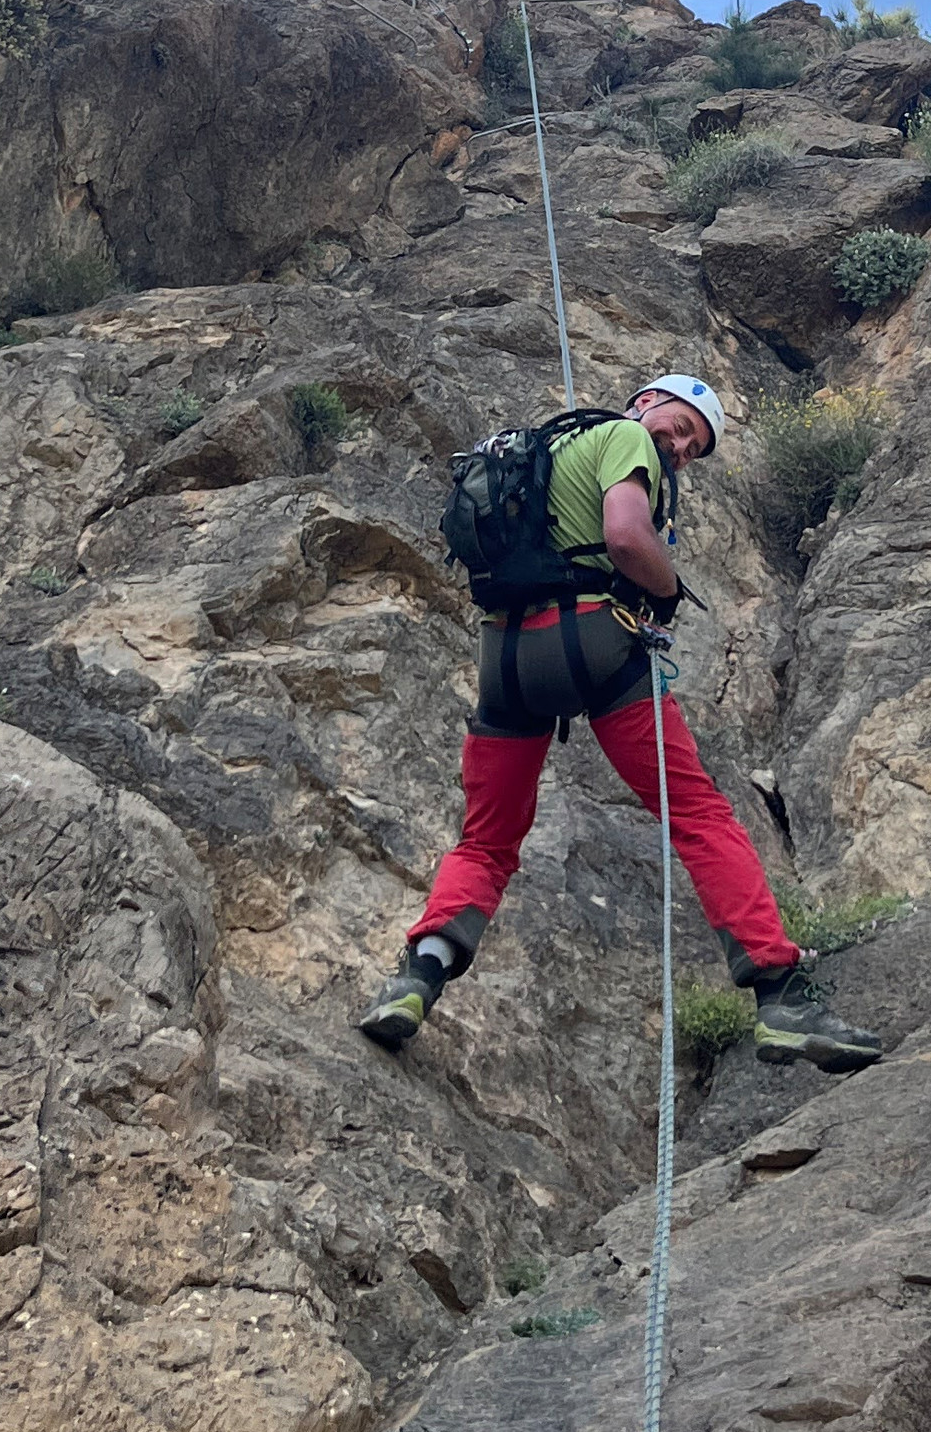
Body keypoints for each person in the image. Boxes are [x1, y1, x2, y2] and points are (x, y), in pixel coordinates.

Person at [359, 373, 883, 1070]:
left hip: (505, 657)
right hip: (592, 643)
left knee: (486, 840)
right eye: (678, 425)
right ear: (644, 402)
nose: (679, 446)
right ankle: (781, 995)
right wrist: (665, 593)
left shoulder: (545, 452)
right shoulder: (625, 436)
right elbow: (627, 536)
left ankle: (416, 976)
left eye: (693, 446)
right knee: (698, 813)